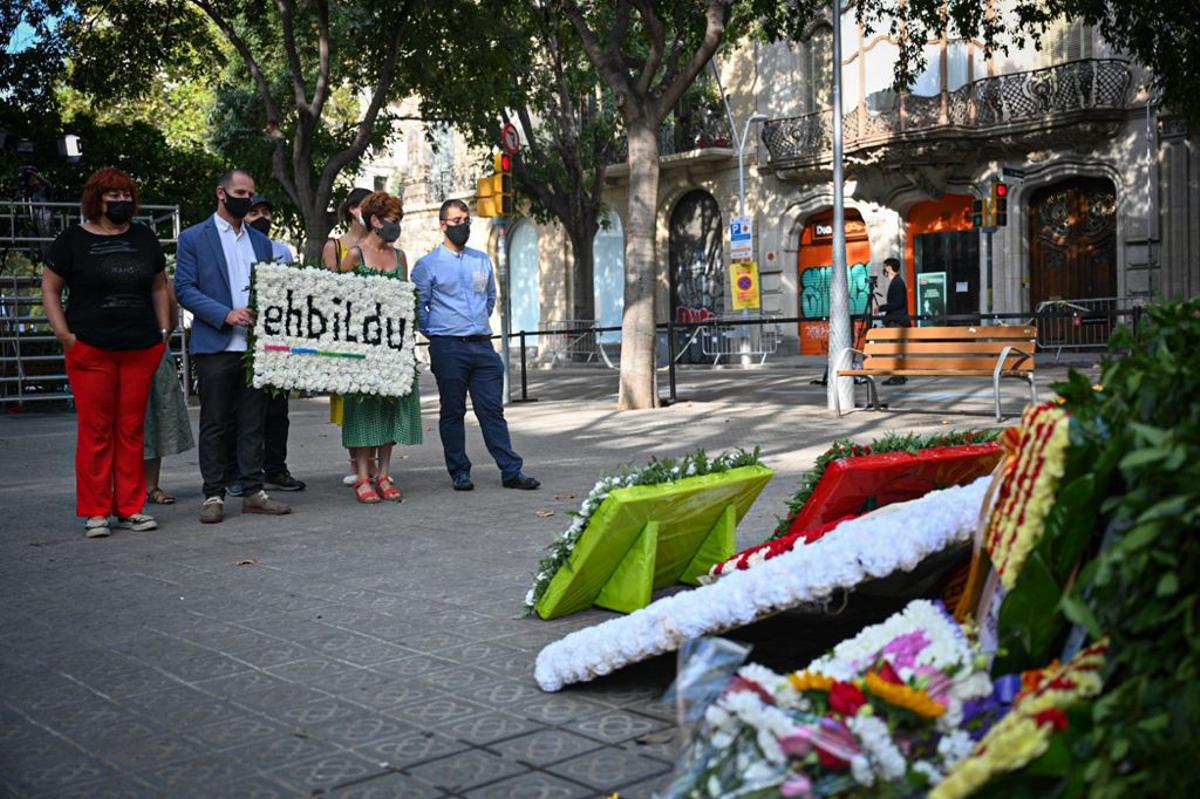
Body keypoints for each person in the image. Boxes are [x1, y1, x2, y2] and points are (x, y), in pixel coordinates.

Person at [42, 167, 170, 537]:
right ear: (96, 199)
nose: (121, 201)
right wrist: (65, 335)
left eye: (126, 195)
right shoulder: (71, 241)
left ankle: (131, 507)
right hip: (90, 349)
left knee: (131, 430)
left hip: (141, 347)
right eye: (113, 195)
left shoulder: (145, 238)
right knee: (96, 429)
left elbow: (160, 286)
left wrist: (163, 332)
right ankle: (96, 511)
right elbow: (49, 289)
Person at [175, 169, 292, 523]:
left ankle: (253, 490)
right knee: (215, 422)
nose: (248, 198)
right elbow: (185, 288)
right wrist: (225, 314)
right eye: (241, 192)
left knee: (254, 422)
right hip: (215, 344)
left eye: (251, 193)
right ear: (221, 193)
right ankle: (213, 494)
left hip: (256, 348)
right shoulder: (195, 237)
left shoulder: (261, 243)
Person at [411, 199, 539, 492]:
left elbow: (490, 297)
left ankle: (511, 471)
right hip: (449, 348)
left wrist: (477, 322)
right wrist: (438, 334)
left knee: (491, 410)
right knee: (453, 411)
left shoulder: (481, 260)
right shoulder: (427, 265)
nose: (462, 226)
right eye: (456, 221)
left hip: (482, 347)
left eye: (466, 220)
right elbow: (419, 307)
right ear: (443, 225)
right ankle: (459, 471)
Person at [335, 191, 422, 503]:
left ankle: (384, 474)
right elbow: (339, 301)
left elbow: (406, 298)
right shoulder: (354, 255)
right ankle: (362, 476)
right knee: (361, 411)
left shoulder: (400, 257)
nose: (396, 226)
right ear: (374, 220)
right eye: (392, 220)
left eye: (399, 221)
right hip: (361, 348)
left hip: (395, 347)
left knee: (390, 409)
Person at [225, 196, 306, 496]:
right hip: (240, 340)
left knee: (276, 411)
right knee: (240, 412)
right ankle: (237, 472)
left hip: (276, 341)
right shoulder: (235, 247)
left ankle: (276, 467)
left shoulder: (281, 251)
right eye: (253, 212)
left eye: (266, 212)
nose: (261, 217)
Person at [322, 187, 373, 486]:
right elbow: (330, 290)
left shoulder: (381, 245)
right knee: (350, 400)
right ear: (352, 210)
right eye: (366, 207)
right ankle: (356, 463)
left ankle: (376, 465)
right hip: (345, 334)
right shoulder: (335, 246)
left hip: (374, 334)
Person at [143, 278, 195, 505]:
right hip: (120, 346)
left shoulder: (159, 276)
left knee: (157, 415)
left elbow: (172, 316)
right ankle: (133, 486)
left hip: (153, 346)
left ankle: (151, 485)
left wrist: (162, 333)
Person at [879, 257, 911, 385]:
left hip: (897, 322)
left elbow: (896, 304)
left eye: (885, 267)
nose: (884, 270)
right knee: (898, 349)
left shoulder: (897, 283)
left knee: (896, 349)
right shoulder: (898, 282)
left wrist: (881, 307)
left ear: (890, 268)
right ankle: (900, 375)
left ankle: (898, 376)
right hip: (898, 321)